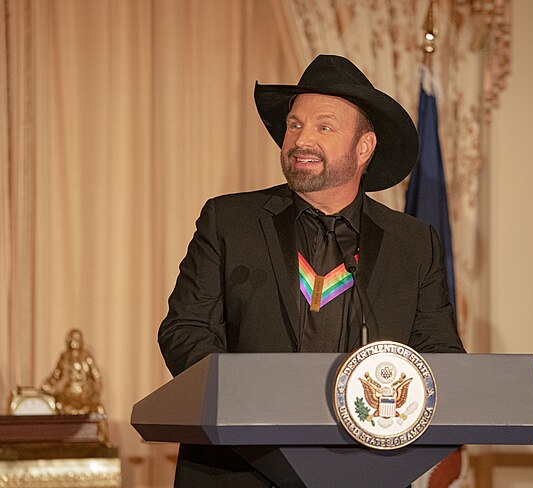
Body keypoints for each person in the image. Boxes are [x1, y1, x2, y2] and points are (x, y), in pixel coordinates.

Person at [158, 54, 465, 488]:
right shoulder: (229, 221)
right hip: (237, 469)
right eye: (295, 125)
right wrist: (251, 402)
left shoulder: (413, 244)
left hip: (367, 469)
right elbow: (184, 330)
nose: (301, 139)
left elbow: (440, 356)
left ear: (364, 148)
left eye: (324, 126)